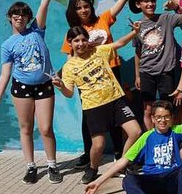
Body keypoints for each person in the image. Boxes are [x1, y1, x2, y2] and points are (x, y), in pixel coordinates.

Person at [0, 0, 63, 185]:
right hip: (21, 88)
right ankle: (30, 166)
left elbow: (44, 5)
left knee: (46, 128)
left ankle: (52, 165)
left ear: (28, 18)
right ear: (9, 17)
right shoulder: (7, 45)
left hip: (44, 85)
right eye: (16, 14)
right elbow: (5, 74)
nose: (20, 17)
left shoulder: (37, 30)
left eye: (23, 14)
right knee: (26, 128)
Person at [62, 0, 135, 167]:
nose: (83, 10)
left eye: (86, 6)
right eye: (79, 8)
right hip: (87, 79)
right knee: (90, 117)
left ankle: (120, 153)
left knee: (117, 114)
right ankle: (89, 153)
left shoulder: (103, 19)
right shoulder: (74, 32)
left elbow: (122, 0)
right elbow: (69, 58)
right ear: (74, 11)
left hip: (111, 72)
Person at [52, 24, 144, 184]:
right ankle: (93, 168)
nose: (80, 44)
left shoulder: (98, 51)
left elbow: (119, 43)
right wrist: (61, 87)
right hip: (93, 107)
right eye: (76, 41)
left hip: (116, 100)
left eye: (83, 40)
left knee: (135, 131)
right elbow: (69, 93)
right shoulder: (69, 67)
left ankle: (122, 165)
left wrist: (135, 32)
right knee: (99, 144)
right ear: (70, 43)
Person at [130, 0, 182, 130]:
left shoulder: (166, 18)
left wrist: (176, 8)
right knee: (148, 109)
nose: (150, 4)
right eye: (146, 1)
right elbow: (138, 52)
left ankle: (170, 137)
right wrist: (137, 75)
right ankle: (151, 138)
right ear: (138, 5)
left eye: (153, 1)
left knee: (168, 108)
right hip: (146, 72)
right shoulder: (137, 26)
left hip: (166, 71)